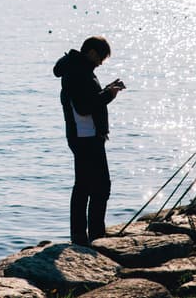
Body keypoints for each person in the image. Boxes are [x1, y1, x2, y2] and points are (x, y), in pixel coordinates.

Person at [53, 36, 125, 246]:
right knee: (99, 186)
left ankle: (84, 235)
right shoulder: (78, 73)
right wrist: (109, 95)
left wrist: (106, 90)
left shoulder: (77, 69)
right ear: (92, 52)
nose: (101, 62)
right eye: (101, 57)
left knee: (85, 186)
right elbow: (84, 107)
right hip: (86, 137)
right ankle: (93, 235)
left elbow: (87, 100)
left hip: (84, 135)